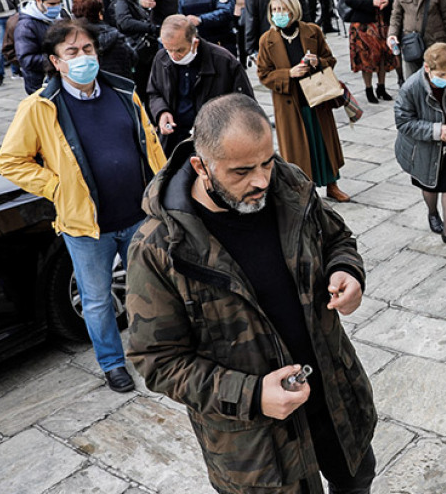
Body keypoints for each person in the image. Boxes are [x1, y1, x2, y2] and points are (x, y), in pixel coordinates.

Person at [126, 93, 377, 494]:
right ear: (201, 166)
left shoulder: (289, 185)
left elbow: (336, 238)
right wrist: (253, 395)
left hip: (336, 406)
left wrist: (346, 270)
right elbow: (158, 361)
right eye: (241, 171)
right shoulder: (160, 249)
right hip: (260, 451)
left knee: (357, 481)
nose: (261, 180)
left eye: (266, 162)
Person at [0, 19, 165, 394]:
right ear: (56, 62)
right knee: (97, 300)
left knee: (151, 289)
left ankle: (156, 352)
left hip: (138, 215)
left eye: (87, 49)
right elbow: (10, 161)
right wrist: (57, 187)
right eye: (72, 52)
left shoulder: (123, 91)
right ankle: (112, 363)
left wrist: (162, 185)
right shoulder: (39, 107)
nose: (82, 57)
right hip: (87, 226)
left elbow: (149, 143)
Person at [256, 0, 350, 203]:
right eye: (274, 10)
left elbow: (330, 59)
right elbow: (263, 74)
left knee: (323, 143)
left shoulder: (312, 31)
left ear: (293, 9)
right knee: (299, 149)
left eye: (282, 9)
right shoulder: (267, 40)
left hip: (316, 97)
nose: (278, 14)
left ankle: (332, 185)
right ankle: (306, 192)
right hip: (290, 103)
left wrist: (318, 62)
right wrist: (288, 74)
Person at [394, 42, 446, 251]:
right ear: (428, 68)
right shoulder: (410, 88)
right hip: (422, 148)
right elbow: (403, 123)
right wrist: (435, 131)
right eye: (442, 74)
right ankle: (432, 212)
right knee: (429, 184)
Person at [149, 15, 254, 155]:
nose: (174, 56)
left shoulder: (224, 61)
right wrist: (161, 112)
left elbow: (246, 105)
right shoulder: (161, 58)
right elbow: (154, 92)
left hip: (215, 143)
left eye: (180, 50)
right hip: (175, 140)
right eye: (169, 50)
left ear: (195, 43)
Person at [343, 0, 396, 104]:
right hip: (364, 25)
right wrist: (371, 2)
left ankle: (381, 86)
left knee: (383, 56)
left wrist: (388, 1)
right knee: (367, 57)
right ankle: (368, 88)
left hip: (382, 23)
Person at [108, 0, 160, 104]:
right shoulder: (120, 3)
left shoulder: (129, 2)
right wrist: (150, 28)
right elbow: (125, 22)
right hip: (137, 51)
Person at [14, 0, 69, 94]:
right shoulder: (26, 26)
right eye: (52, 4)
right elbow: (26, 59)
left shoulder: (62, 15)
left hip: (64, 77)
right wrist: (57, 60)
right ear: (38, 0)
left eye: (59, 3)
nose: (56, 7)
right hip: (41, 83)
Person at [70, 0, 137, 81]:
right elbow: (133, 58)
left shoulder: (72, 39)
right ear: (99, 13)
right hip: (119, 84)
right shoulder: (116, 36)